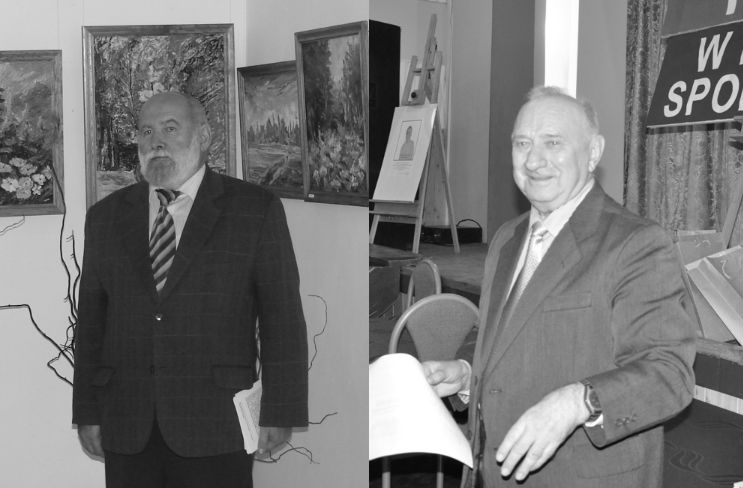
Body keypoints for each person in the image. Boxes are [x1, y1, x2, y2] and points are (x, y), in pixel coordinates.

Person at [422, 86, 696, 488]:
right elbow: (505, 335)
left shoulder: (637, 244)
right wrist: (466, 372)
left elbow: (669, 373)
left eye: (553, 142)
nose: (534, 160)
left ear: (593, 152)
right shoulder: (507, 238)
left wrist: (578, 401)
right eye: (522, 143)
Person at [72, 92, 308, 488]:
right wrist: (87, 411)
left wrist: (280, 410)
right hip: (127, 421)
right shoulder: (106, 217)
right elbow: (92, 324)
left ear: (204, 136)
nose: (156, 142)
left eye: (170, 128)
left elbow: (282, 318)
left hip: (215, 423)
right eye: (146, 132)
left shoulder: (254, 209)